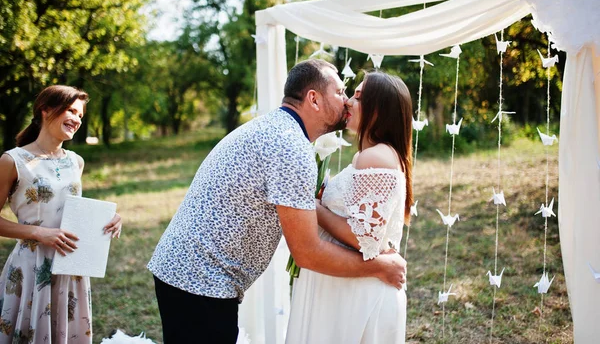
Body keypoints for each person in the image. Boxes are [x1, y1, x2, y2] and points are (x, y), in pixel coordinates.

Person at [148, 59, 407, 344]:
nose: (346, 102)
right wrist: (380, 267)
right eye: (340, 92)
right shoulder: (290, 147)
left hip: (192, 273)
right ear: (313, 99)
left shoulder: (280, 131)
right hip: (200, 280)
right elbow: (307, 252)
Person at [286, 71, 414, 344]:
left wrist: (312, 207)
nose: (348, 103)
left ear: (378, 109)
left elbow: (364, 238)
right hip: (343, 285)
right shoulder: (369, 155)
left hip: (357, 293)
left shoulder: (376, 157)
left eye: (358, 96)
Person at [0, 85, 122, 344]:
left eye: (80, 115)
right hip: (32, 268)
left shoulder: (75, 161)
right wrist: (38, 232)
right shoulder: (13, 161)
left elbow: (73, 212)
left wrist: (108, 220)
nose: (77, 119)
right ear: (45, 110)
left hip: (72, 266)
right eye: (70, 111)